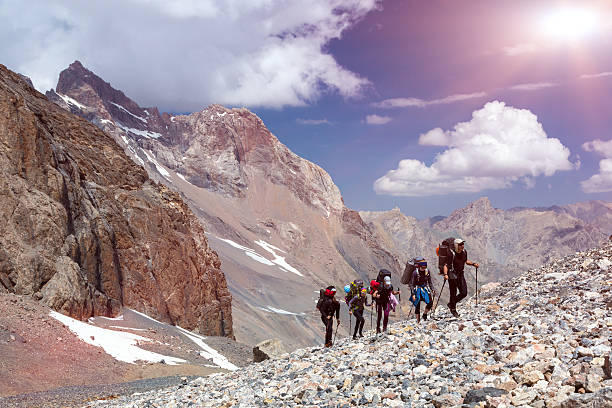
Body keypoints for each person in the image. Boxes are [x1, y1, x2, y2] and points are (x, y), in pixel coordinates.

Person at [442, 238, 479, 318]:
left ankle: (451, 303)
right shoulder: (451, 254)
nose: (462, 246)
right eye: (460, 245)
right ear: (456, 245)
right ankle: (453, 309)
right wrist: (445, 274)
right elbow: (446, 265)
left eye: (463, 244)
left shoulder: (464, 252)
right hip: (452, 275)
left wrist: (473, 264)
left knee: (464, 293)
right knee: (453, 292)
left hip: (460, 274)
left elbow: (465, 261)